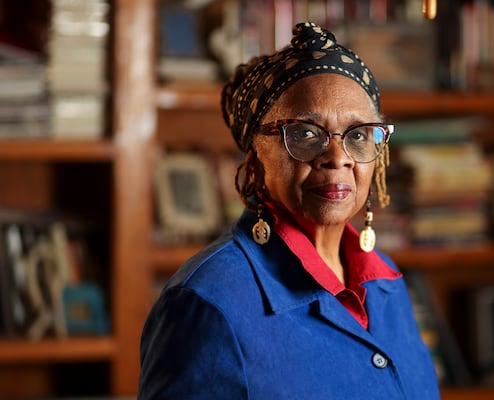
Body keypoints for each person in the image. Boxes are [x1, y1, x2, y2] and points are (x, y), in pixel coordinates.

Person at [138, 21, 440, 399]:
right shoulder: (207, 303)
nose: (337, 158)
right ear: (255, 158)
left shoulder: (387, 282)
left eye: (359, 134)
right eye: (305, 133)